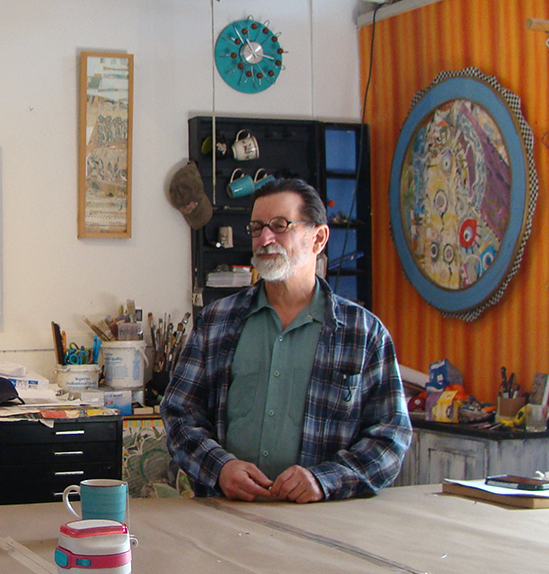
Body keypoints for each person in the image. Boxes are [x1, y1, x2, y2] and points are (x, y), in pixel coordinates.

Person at [161, 178, 410, 503]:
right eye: (257, 228)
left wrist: (324, 480)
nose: (265, 239)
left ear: (318, 238)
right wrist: (219, 468)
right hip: (227, 512)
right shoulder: (216, 323)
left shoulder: (363, 333)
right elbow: (179, 414)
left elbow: (390, 437)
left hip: (321, 518)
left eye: (279, 226)